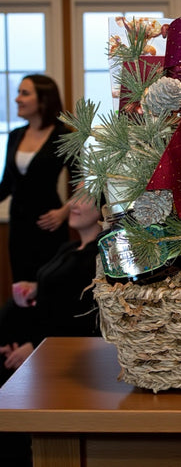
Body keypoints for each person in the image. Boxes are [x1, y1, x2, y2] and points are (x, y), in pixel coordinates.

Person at [0, 189, 102, 379]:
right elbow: (58, 292)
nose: (73, 203)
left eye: (85, 196)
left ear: (104, 206)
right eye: (74, 195)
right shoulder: (70, 248)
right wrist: (35, 287)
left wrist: (33, 345)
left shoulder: (97, 259)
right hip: (28, 338)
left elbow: (78, 316)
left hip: (52, 348)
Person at [0, 74, 74, 284]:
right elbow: (6, 184)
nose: (17, 99)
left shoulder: (64, 136)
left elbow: (84, 183)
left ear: (43, 99)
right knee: (21, 287)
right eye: (18, 93)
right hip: (18, 226)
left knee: (49, 288)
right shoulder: (15, 135)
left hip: (48, 224)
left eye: (24, 93)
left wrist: (64, 212)